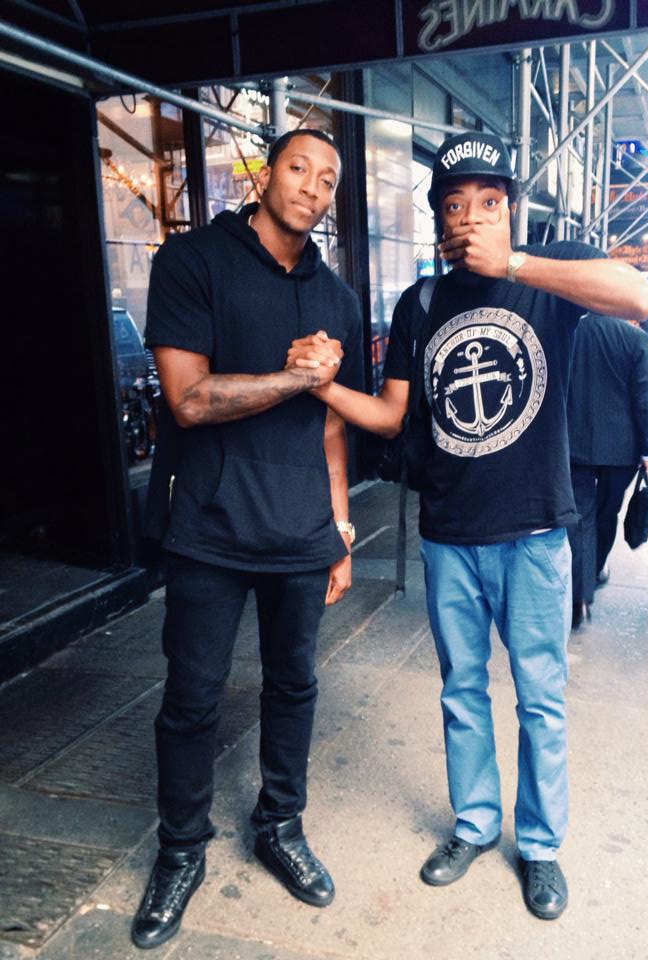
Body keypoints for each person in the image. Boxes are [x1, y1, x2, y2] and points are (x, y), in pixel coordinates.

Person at [287, 132, 648, 920]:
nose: (473, 217)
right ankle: (475, 824)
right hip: (449, 534)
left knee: (540, 697)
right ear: (439, 220)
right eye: (456, 205)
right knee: (461, 690)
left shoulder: (548, 279)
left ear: (510, 210)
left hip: (535, 533)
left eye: (489, 202)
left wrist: (514, 264)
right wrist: (318, 388)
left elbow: (638, 298)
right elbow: (391, 415)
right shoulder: (419, 305)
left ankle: (542, 846)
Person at [130, 129, 363, 951]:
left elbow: (331, 427)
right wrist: (298, 376)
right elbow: (189, 399)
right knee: (192, 699)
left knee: (294, 687)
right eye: (299, 168)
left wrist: (340, 527)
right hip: (210, 529)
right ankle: (180, 851)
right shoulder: (193, 261)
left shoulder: (337, 297)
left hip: (301, 530)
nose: (312, 187)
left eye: (328, 179)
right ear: (267, 173)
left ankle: (280, 826)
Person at [567, 312, 648, 628]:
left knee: (581, 519)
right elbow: (644, 397)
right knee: (608, 514)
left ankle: (579, 597)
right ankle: (595, 571)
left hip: (575, 442)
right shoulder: (635, 338)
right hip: (621, 447)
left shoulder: (571, 330)